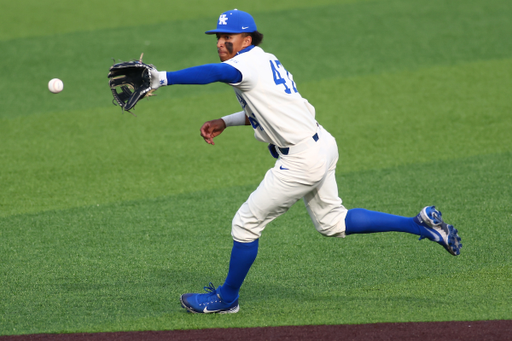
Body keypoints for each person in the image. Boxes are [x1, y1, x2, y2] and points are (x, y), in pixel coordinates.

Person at [148, 9, 462, 314]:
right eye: (217, 37)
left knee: (245, 224)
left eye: (227, 37)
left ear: (246, 39)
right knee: (333, 222)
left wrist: (162, 78)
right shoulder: (266, 60)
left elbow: (216, 73)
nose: (220, 43)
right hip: (321, 143)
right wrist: (226, 121)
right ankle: (419, 224)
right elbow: (273, 108)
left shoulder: (244, 65)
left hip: (300, 160)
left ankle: (227, 298)